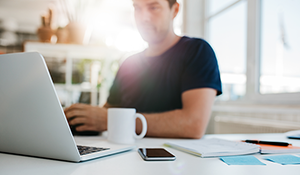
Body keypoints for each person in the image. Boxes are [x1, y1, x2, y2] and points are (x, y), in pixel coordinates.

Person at [64, 0, 222, 139]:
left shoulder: (197, 51)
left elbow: (193, 124)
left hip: (173, 162)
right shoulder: (129, 64)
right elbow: (107, 113)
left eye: (153, 7)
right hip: (122, 160)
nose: (143, 17)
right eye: (137, 8)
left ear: (174, 10)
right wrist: (79, 117)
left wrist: (111, 120)